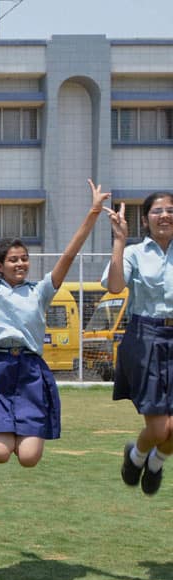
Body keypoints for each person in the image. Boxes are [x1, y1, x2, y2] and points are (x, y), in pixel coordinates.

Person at [0, 177, 109, 467]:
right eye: (13, 259)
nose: (20, 264)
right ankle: (0, 425)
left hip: (31, 371)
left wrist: (93, 213)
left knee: (29, 458)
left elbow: (68, 256)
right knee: (0, 453)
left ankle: (24, 427)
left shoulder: (39, 291)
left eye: (24, 259)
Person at [106, 191, 173, 495]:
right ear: (146, 219)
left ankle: (153, 460)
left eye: (170, 210)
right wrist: (119, 241)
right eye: (157, 211)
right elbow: (116, 286)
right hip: (146, 337)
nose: (165, 216)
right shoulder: (134, 252)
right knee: (160, 429)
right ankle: (137, 456)